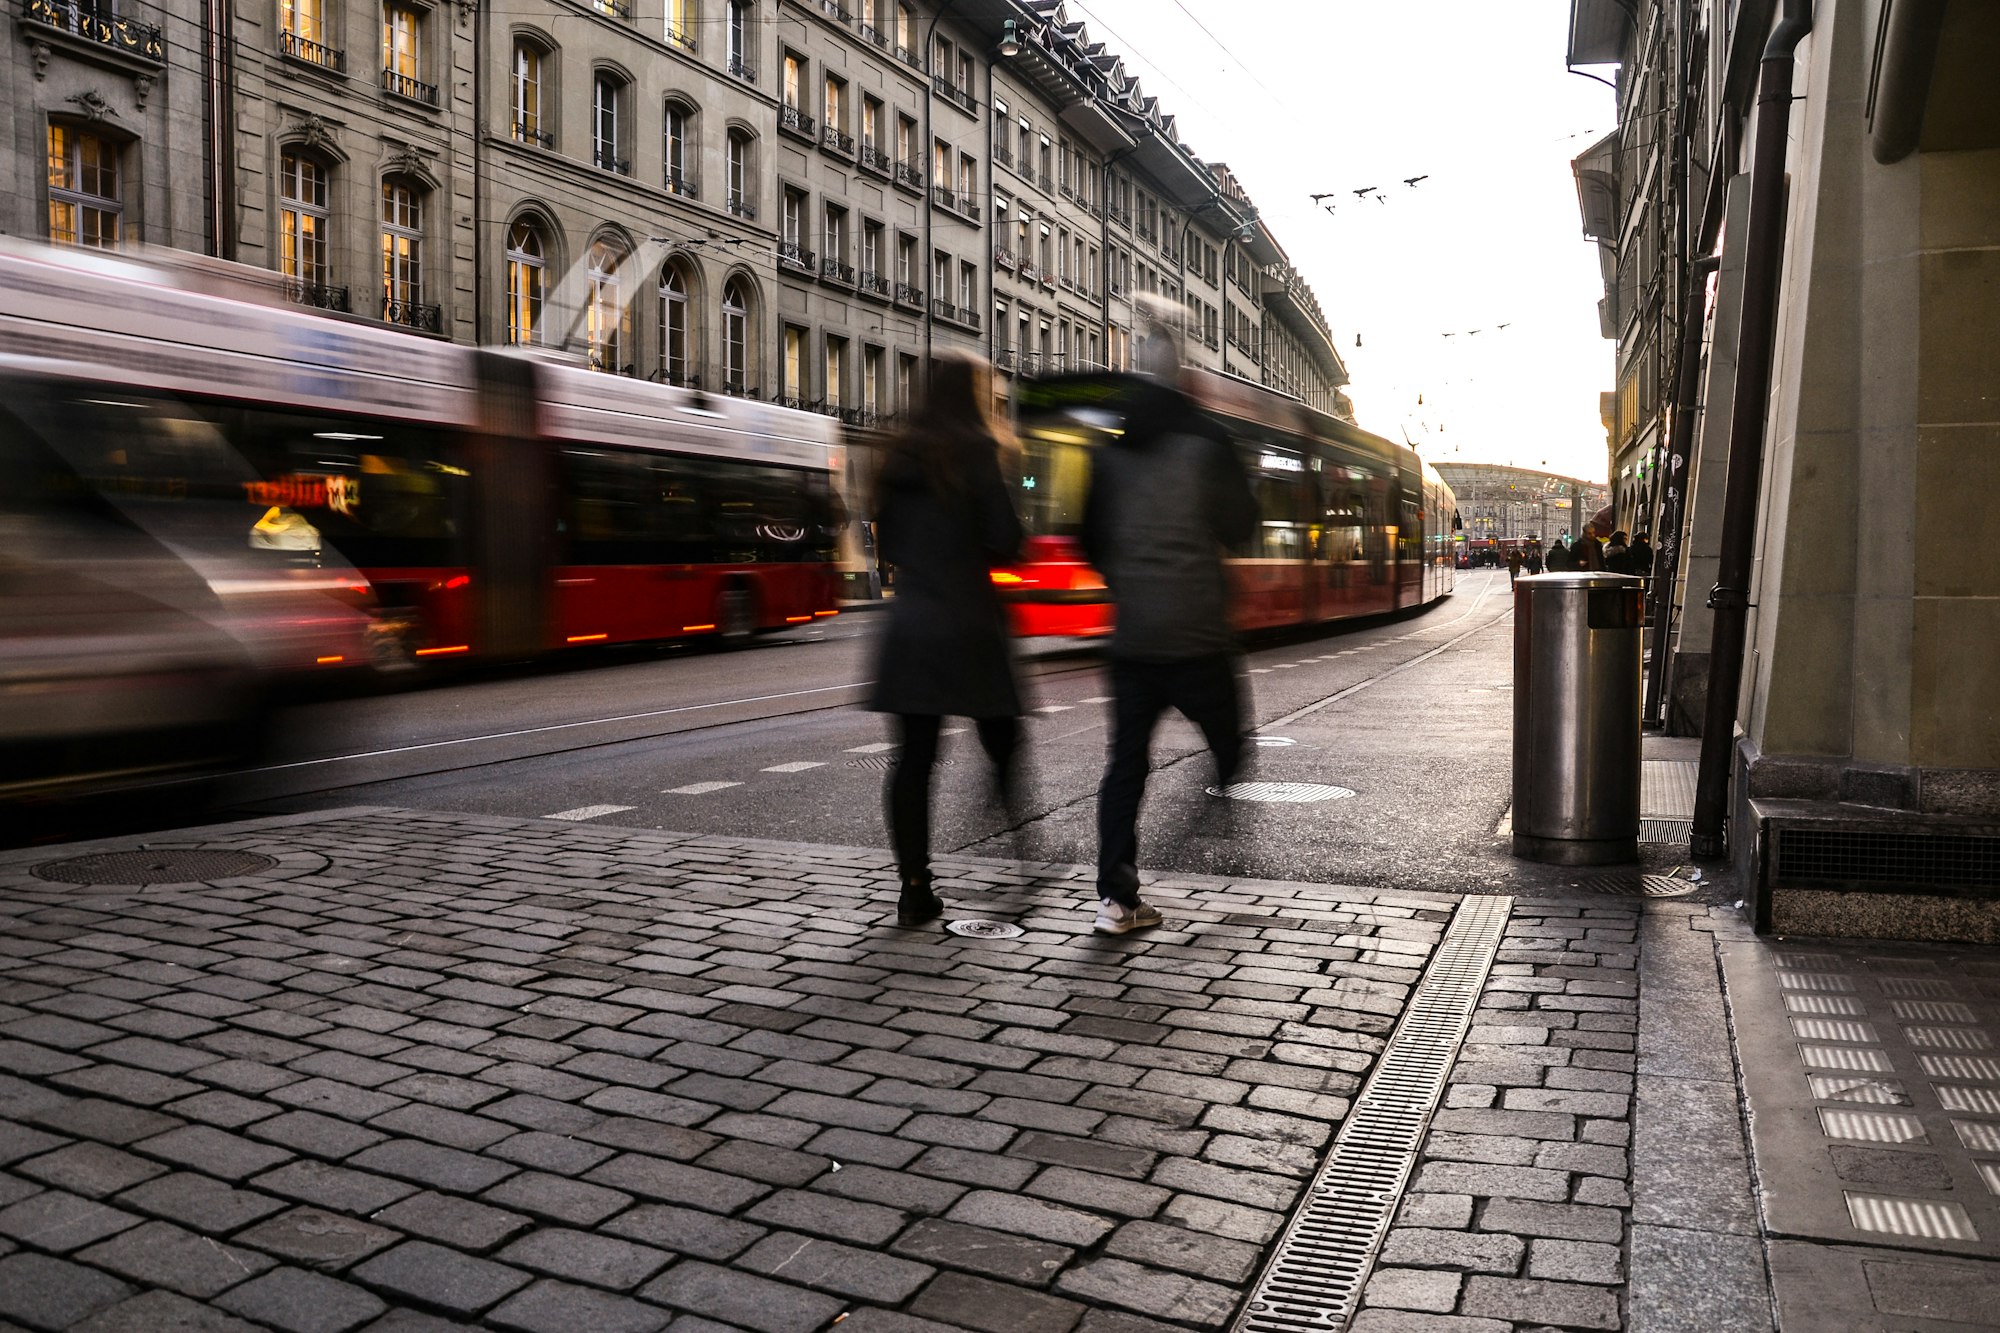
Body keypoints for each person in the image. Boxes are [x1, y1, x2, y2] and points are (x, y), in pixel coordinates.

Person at [1082, 302, 1258, 935]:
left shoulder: (1107, 454)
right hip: (1200, 635)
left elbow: (1086, 540)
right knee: (1232, 744)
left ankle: (1117, 900)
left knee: (1125, 764)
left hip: (1133, 638)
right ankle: (1217, 797)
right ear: (1183, 377)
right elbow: (1242, 526)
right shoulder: (1210, 441)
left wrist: (1128, 578)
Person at [866, 353, 1024, 927]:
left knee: (914, 761)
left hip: (910, 624)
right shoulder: (976, 452)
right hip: (968, 620)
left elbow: (890, 543)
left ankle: (914, 887)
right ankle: (1019, 834)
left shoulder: (896, 457)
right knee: (1002, 732)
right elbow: (1006, 538)